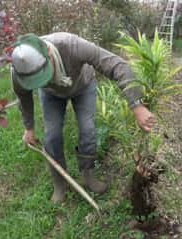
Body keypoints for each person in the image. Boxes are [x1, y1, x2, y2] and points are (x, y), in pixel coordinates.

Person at [10, 33, 154, 203]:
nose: (45, 80)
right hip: (51, 95)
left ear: (48, 52)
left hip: (83, 86)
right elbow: (23, 97)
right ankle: (60, 183)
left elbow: (117, 65)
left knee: (88, 129)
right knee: (52, 135)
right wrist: (29, 128)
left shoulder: (72, 45)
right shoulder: (20, 72)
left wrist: (136, 105)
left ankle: (87, 174)